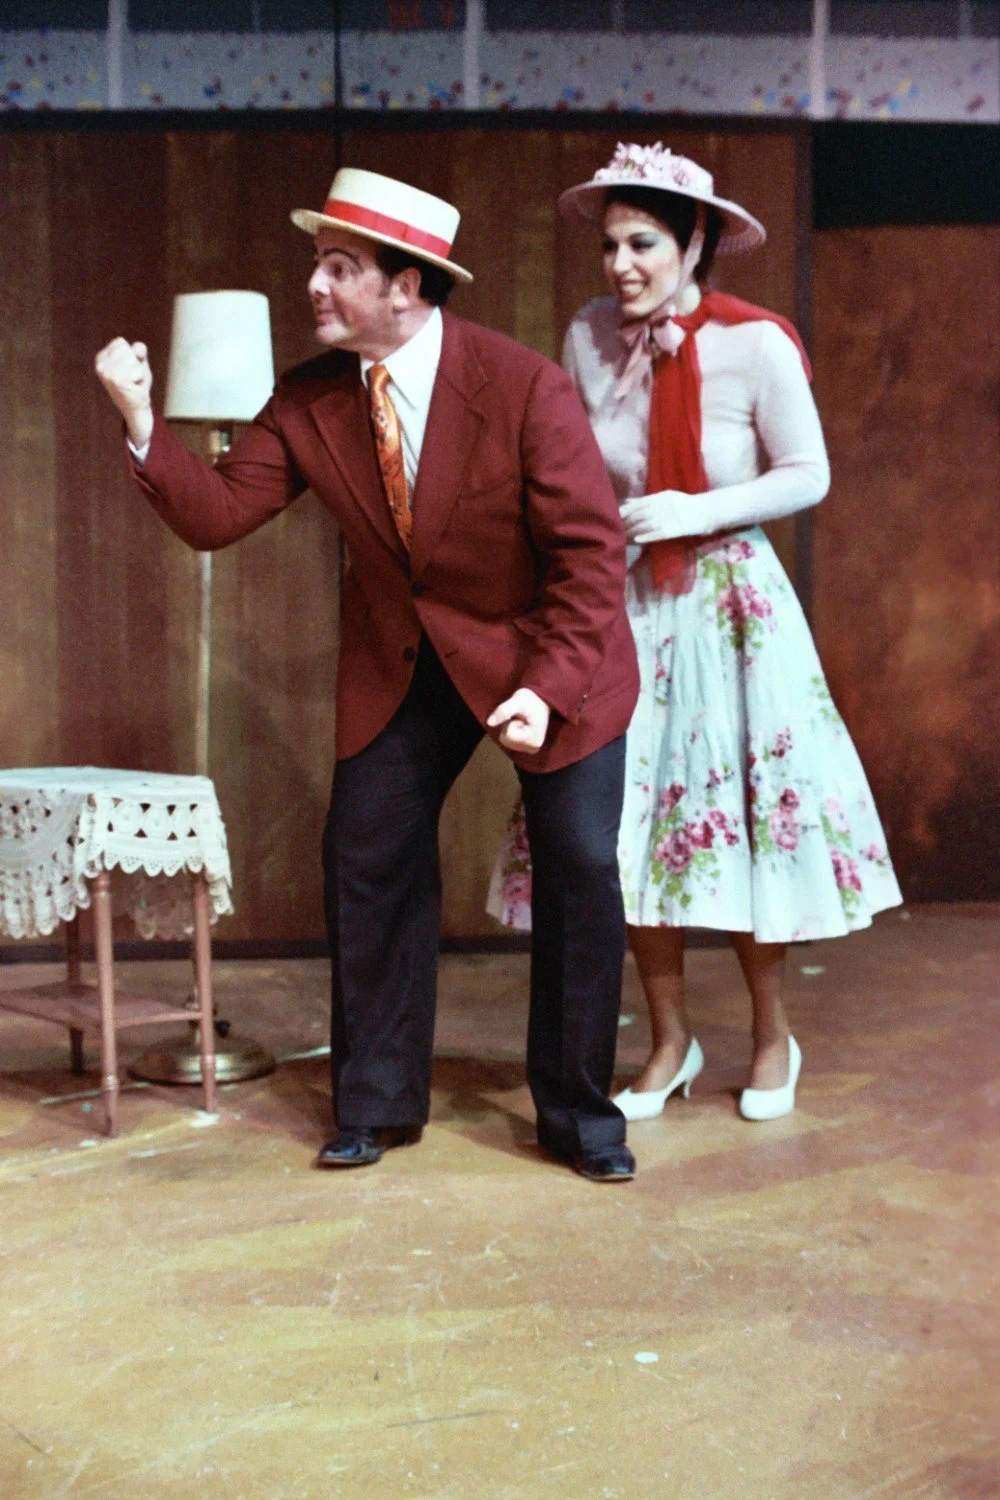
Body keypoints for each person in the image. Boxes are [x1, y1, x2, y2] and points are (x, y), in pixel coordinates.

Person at [94, 167, 641, 1181]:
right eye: (316, 262)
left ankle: (578, 1119)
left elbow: (589, 559)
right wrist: (139, 419)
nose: (315, 284)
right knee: (367, 858)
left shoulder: (523, 386)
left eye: (339, 267)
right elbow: (215, 515)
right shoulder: (308, 400)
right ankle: (376, 1105)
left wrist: (544, 687)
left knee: (577, 863)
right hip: (405, 662)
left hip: (548, 652)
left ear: (408, 287)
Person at [489, 142, 901, 1123]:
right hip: (619, 605)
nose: (619, 264)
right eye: (610, 245)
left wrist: (693, 511)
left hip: (725, 607)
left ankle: (770, 1035)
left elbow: (807, 473)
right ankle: (669, 1039)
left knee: (741, 824)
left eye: (642, 244)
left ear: (694, 243)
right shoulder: (589, 335)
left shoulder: (757, 343)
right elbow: (575, 462)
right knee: (628, 831)